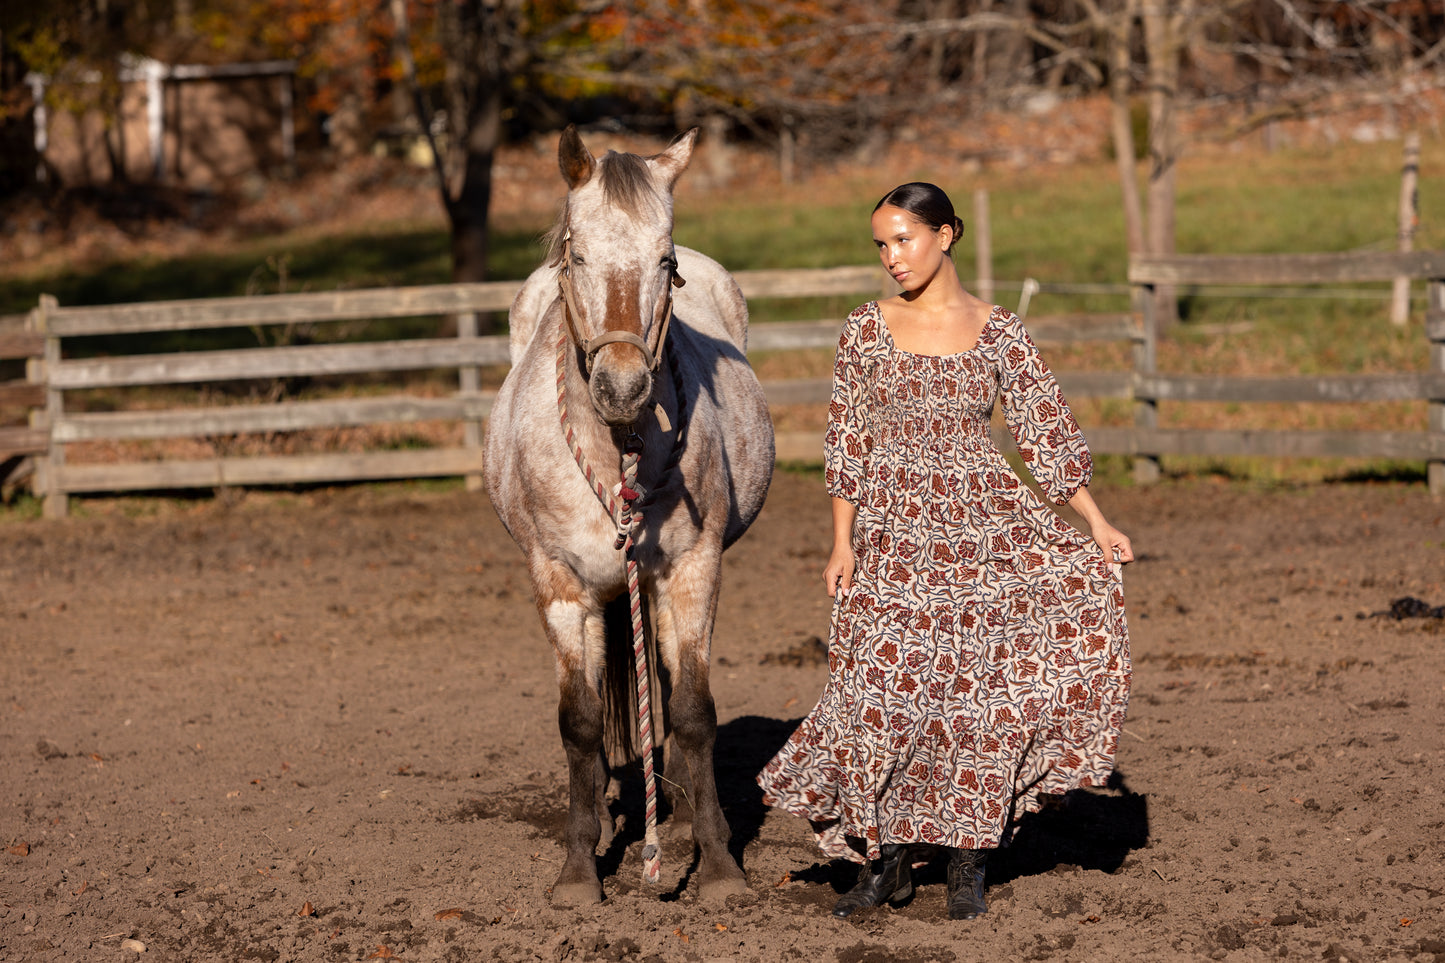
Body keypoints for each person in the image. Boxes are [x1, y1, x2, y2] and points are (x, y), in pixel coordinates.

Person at [756, 182, 1133, 921]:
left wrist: (1094, 519)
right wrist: (841, 542)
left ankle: (967, 862)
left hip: (984, 534)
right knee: (877, 694)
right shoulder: (864, 328)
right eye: (880, 244)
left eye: (903, 239)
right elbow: (848, 439)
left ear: (947, 234)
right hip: (893, 536)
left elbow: (1042, 428)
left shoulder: (999, 330)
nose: (891, 258)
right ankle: (886, 860)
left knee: (973, 701)